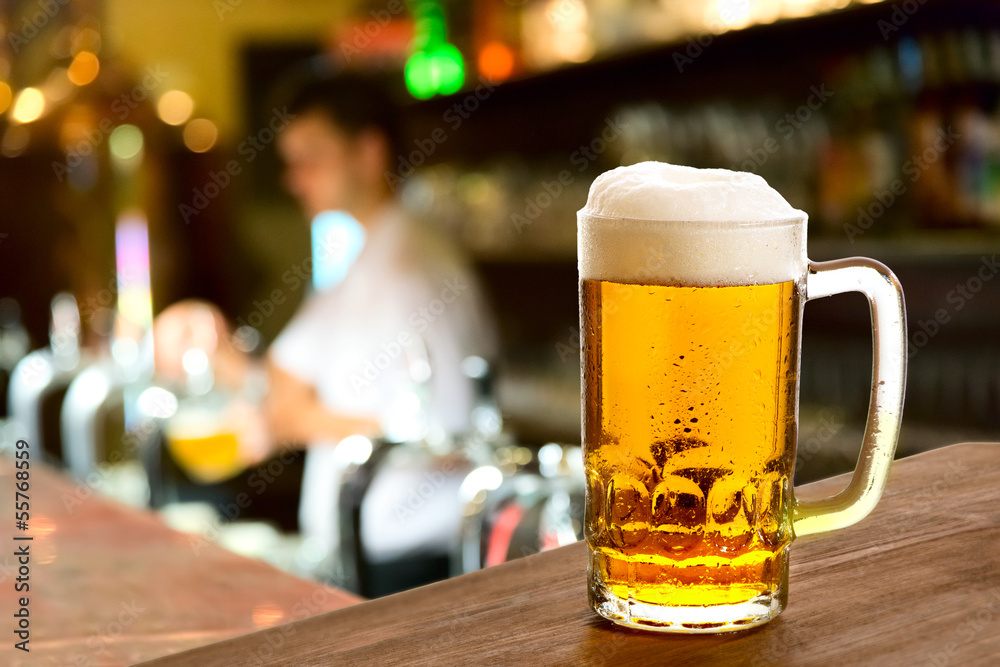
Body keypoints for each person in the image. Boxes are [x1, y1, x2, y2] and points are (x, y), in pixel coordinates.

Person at [155, 67, 497, 564]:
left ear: (369, 152)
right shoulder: (361, 259)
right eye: (290, 161)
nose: (293, 179)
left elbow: (449, 437)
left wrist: (294, 420)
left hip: (413, 563)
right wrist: (205, 338)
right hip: (352, 552)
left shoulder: (417, 271)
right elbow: (278, 380)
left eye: (310, 158)